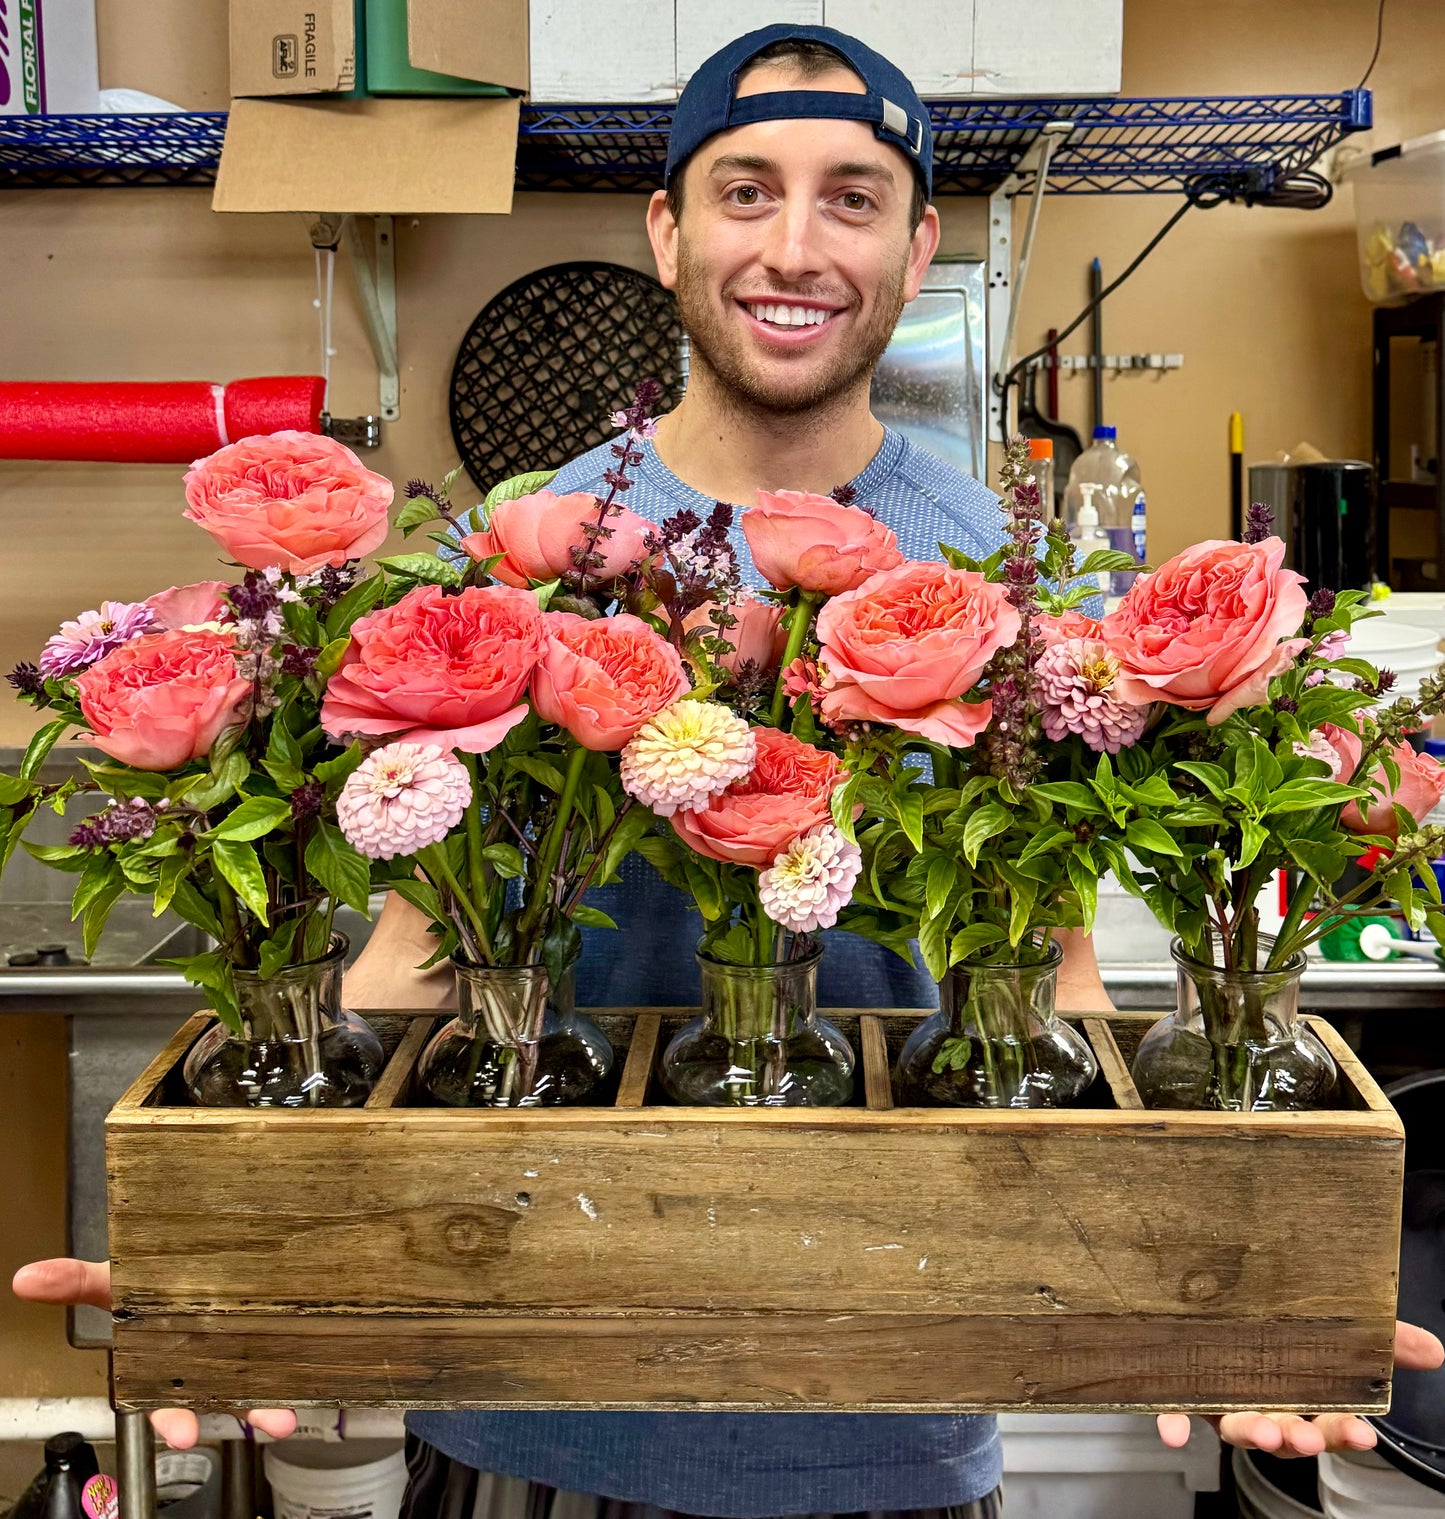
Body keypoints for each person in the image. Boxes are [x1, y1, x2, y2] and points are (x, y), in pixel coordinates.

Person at [15, 23, 1443, 1519]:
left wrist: (1192, 1274)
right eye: (746, 190)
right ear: (668, 228)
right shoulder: (529, 554)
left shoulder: (1000, 571)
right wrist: (249, 1239)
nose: (795, 246)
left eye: (850, 196)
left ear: (914, 242)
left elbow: (1053, 967)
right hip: (530, 1407)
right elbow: (421, 946)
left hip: (891, 1405)